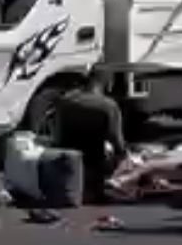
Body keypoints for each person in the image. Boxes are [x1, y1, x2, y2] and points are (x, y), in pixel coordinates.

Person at [52, 72, 130, 203]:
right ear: (107, 85)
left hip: (67, 160)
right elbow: (116, 139)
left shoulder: (65, 101)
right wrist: (124, 154)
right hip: (93, 160)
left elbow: (57, 134)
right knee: (119, 156)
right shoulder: (108, 105)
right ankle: (100, 188)